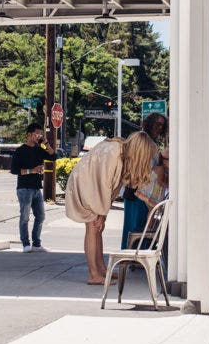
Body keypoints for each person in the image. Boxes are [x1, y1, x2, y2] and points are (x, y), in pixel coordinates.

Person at [64, 132, 155, 284]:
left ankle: (101, 270)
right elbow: (104, 184)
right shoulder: (114, 152)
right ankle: (94, 274)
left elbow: (112, 187)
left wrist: (103, 214)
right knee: (93, 227)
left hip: (92, 186)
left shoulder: (121, 153)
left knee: (98, 228)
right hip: (87, 185)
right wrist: (101, 213)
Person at [122, 114, 168, 247]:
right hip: (137, 191)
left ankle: (134, 257)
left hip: (143, 191)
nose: (159, 127)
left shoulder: (150, 142)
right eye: (156, 123)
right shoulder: (140, 139)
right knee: (134, 229)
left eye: (162, 125)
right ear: (149, 123)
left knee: (139, 228)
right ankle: (131, 257)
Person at [10, 123, 54, 253]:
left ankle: (36, 244)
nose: (38, 136)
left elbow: (53, 156)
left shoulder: (39, 149)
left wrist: (46, 143)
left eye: (40, 134)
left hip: (36, 188)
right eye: (36, 134)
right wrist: (32, 170)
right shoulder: (20, 151)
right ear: (29, 135)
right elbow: (14, 170)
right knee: (25, 217)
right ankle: (25, 244)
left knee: (40, 216)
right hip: (24, 188)